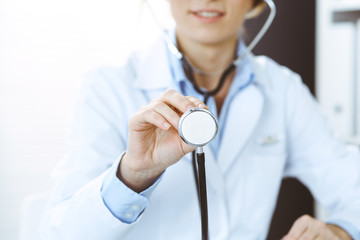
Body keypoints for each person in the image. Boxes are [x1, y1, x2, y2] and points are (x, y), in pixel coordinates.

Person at [39, 0, 360, 239]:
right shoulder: (107, 89)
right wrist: (132, 175)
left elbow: (349, 182)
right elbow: (58, 233)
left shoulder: (283, 89)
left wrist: (340, 231)